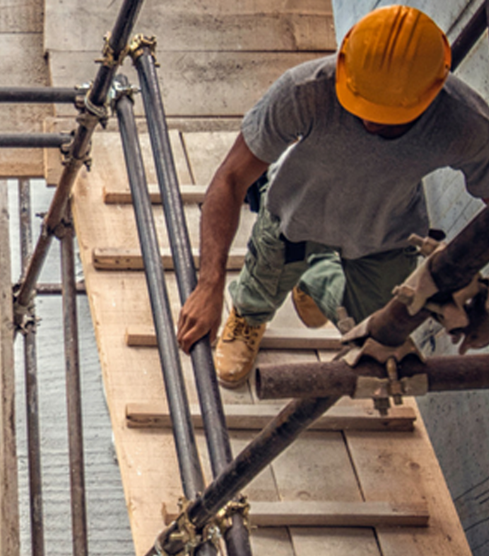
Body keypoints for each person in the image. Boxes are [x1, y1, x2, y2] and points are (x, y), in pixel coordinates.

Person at [176, 4, 489, 388]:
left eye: (386, 115)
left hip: (384, 233)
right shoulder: (305, 91)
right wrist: (209, 286)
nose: (369, 120)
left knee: (378, 327)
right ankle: (250, 315)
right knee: (262, 284)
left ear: (431, 94)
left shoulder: (463, 123)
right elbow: (230, 179)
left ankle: (312, 278)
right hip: (295, 216)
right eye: (360, 103)